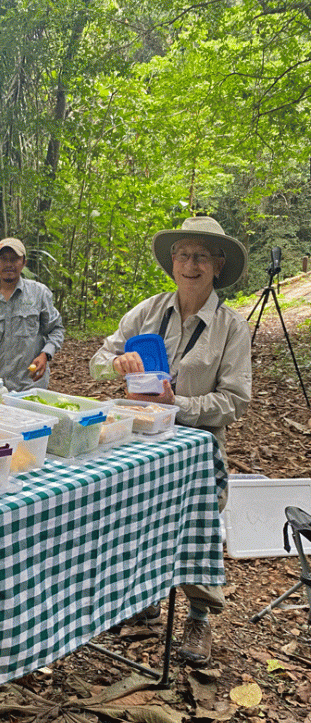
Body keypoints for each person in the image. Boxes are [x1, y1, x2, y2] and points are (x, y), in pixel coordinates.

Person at [90, 216, 252, 666]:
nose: (190, 264)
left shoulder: (231, 329)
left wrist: (177, 402)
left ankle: (199, 615)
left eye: (201, 256)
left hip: (198, 450)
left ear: (218, 265)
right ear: (172, 262)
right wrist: (117, 365)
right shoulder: (147, 312)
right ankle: (144, 597)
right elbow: (98, 360)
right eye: (183, 254)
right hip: (140, 438)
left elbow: (236, 401)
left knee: (198, 526)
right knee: (138, 518)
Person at [0, 237, 65, 392]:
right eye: (3, 259)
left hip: (31, 385)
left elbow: (56, 329)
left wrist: (45, 355)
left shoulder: (39, 293)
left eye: (14, 259)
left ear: (24, 262)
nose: (9, 264)